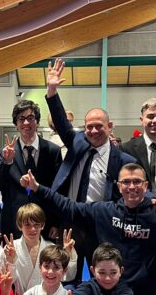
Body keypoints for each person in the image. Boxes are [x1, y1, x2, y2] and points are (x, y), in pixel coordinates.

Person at [21, 164, 156, 295]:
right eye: (126, 182)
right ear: (119, 186)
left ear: (146, 186)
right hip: (108, 292)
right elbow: (68, 206)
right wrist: (37, 188)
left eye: (137, 182)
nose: (132, 187)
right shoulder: (104, 211)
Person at [44, 58, 135, 269]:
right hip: (69, 222)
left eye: (99, 126)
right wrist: (52, 91)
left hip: (101, 225)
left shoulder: (124, 161)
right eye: (89, 126)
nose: (93, 131)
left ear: (110, 126)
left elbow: (134, 189)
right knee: (66, 273)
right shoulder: (77, 142)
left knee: (102, 275)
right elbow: (61, 122)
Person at [0, 99, 62, 239]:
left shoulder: (53, 151)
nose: (26, 123)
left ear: (37, 121)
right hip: (14, 221)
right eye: (21, 119)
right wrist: (7, 162)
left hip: (44, 221)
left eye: (30, 118)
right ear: (16, 124)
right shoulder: (5, 152)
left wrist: (56, 222)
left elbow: (58, 189)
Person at [3, 204, 78, 295]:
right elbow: (8, 280)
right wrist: (10, 260)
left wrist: (69, 253)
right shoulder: (12, 247)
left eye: (36, 225)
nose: (32, 229)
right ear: (19, 226)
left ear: (42, 225)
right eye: (27, 225)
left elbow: (67, 276)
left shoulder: (51, 248)